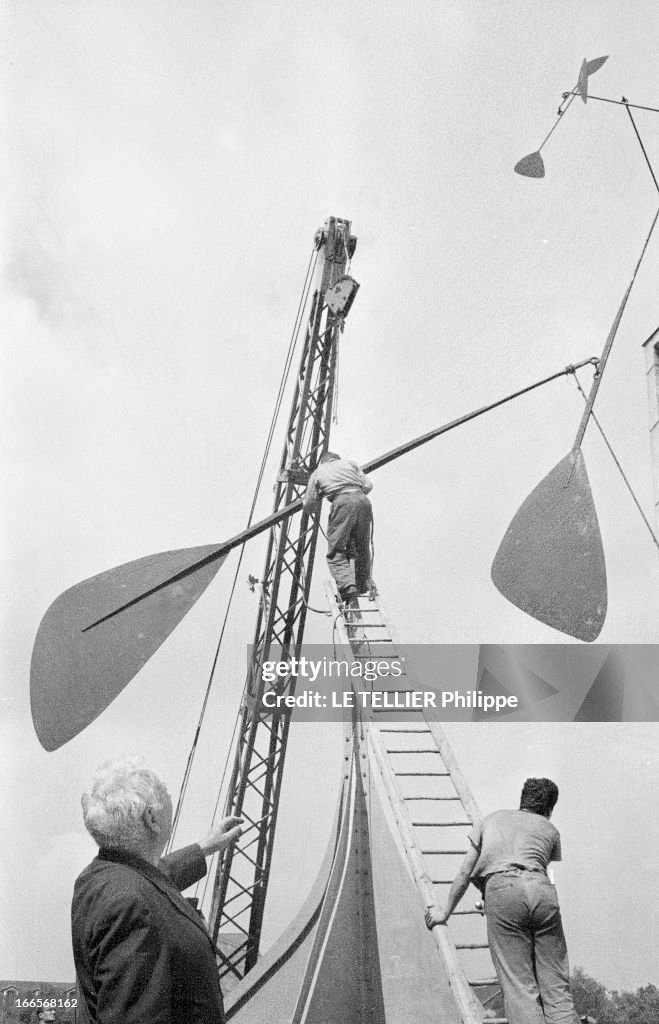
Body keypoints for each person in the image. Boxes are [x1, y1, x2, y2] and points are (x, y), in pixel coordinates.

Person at [72, 757, 243, 1024]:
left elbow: (153, 878)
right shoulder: (131, 904)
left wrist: (203, 848)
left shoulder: (101, 878)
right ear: (151, 818)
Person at [425, 778, 580, 1024]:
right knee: (556, 985)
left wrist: (445, 912)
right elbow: (533, 870)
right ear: (549, 809)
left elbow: (466, 872)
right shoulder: (549, 829)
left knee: (519, 987)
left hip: (503, 891)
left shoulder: (490, 820)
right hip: (543, 892)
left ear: (522, 800)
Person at [303, 451, 373, 604]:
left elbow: (309, 504)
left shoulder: (318, 472)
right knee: (362, 546)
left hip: (342, 503)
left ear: (323, 462)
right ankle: (362, 584)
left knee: (336, 551)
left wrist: (324, 493)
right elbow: (368, 485)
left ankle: (348, 586)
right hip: (363, 501)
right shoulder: (350, 463)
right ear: (337, 459)